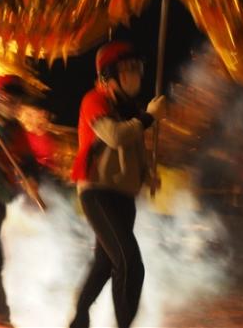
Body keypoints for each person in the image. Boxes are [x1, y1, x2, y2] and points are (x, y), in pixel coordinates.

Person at [68, 40, 166, 328]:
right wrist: (148, 118)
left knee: (104, 264)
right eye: (127, 70)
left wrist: (147, 175)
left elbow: (134, 150)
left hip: (124, 195)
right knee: (129, 264)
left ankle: (78, 320)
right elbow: (115, 136)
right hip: (98, 192)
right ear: (107, 76)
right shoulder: (94, 101)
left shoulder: (130, 109)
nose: (135, 75)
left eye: (137, 68)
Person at [0, 74, 40, 328]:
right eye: (8, 100)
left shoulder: (16, 130)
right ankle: (0, 318)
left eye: (17, 102)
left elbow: (27, 162)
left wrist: (32, 180)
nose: (13, 106)